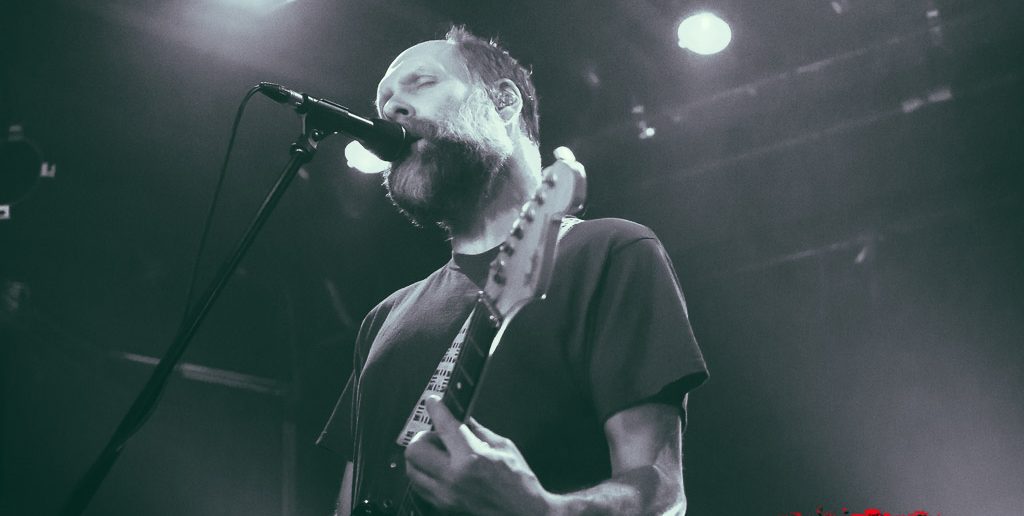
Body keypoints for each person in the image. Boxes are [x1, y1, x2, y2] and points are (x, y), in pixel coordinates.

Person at [318, 26, 709, 515]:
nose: (391, 108)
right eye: (383, 102)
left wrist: (541, 510)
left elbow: (662, 494)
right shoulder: (382, 318)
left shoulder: (609, 251)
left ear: (503, 102)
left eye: (421, 82)